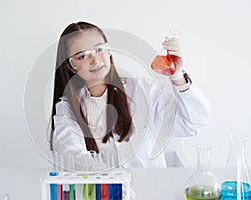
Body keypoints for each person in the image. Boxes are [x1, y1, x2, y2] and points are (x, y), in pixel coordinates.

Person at [49, 21, 211, 170]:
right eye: (82, 56)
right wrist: (106, 181)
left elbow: (194, 123)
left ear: (109, 51)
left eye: (99, 49)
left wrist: (177, 76)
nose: (95, 60)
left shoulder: (144, 91)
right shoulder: (67, 108)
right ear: (71, 66)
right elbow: (69, 152)